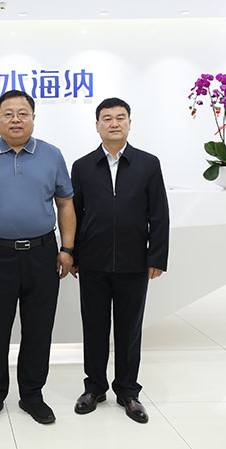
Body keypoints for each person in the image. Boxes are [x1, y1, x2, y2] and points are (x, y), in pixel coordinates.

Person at [0, 90, 76, 426]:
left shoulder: (52, 155)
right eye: (8, 113)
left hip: (43, 254)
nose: (15, 119)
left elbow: (65, 204)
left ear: (33, 118)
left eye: (23, 113)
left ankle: (32, 395)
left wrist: (67, 249)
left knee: (39, 328)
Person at [70, 97, 169, 424]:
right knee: (94, 327)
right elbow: (73, 214)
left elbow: (159, 213)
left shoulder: (148, 164)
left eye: (120, 117)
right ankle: (94, 388)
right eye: (107, 118)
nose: (114, 123)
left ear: (129, 123)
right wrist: (73, 254)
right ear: (97, 125)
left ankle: (128, 391)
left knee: (129, 329)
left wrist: (157, 256)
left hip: (134, 261)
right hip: (92, 263)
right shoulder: (82, 166)